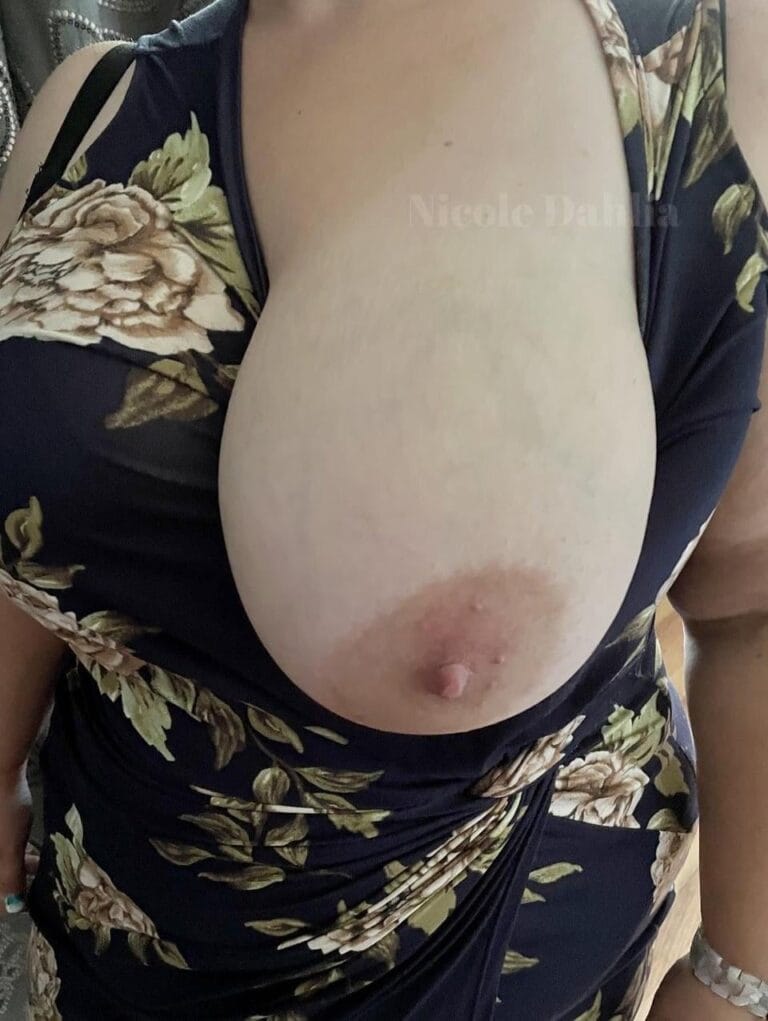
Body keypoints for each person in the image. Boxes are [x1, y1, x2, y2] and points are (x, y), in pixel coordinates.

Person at [0, 0, 766, 1016]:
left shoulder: (719, 59)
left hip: (496, 955)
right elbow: (35, 532)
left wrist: (737, 974)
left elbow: (752, 609)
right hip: (111, 923)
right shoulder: (89, 105)